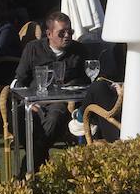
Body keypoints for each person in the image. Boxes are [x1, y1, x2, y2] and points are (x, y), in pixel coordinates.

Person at [13, 11, 88, 169]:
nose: (67, 35)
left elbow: (87, 80)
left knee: (54, 117)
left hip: (62, 102)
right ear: (48, 33)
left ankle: (29, 166)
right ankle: (39, 159)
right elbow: (20, 80)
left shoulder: (79, 51)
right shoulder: (33, 49)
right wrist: (29, 102)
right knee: (21, 116)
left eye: (70, 31)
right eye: (62, 32)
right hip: (35, 101)